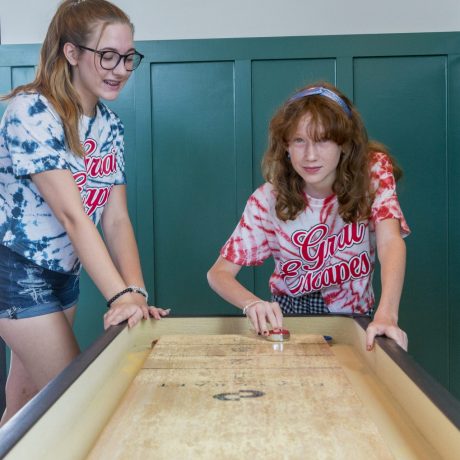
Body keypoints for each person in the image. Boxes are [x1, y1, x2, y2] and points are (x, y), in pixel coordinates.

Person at [0, 0, 169, 425]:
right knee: (82, 402)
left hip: (64, 273)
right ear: (72, 53)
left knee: (24, 400)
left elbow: (115, 219)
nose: (120, 69)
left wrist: (137, 292)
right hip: (15, 270)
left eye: (129, 57)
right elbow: (73, 215)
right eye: (107, 55)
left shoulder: (110, 124)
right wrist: (119, 296)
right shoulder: (31, 112)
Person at [207, 82, 409, 352]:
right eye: (299, 141)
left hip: (356, 318)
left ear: (344, 144)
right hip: (290, 320)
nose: (310, 155)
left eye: (323, 140)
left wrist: (387, 315)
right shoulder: (268, 198)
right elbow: (218, 273)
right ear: (286, 146)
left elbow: (389, 242)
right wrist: (252, 303)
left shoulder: (372, 172)